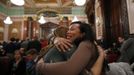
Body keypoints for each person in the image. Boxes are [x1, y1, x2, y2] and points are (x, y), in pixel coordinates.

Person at [36, 21, 103, 75]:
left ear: (82, 34)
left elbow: (70, 69)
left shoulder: (85, 44)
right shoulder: (75, 44)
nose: (67, 32)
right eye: (68, 30)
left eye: (72, 29)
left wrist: (39, 66)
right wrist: (55, 39)